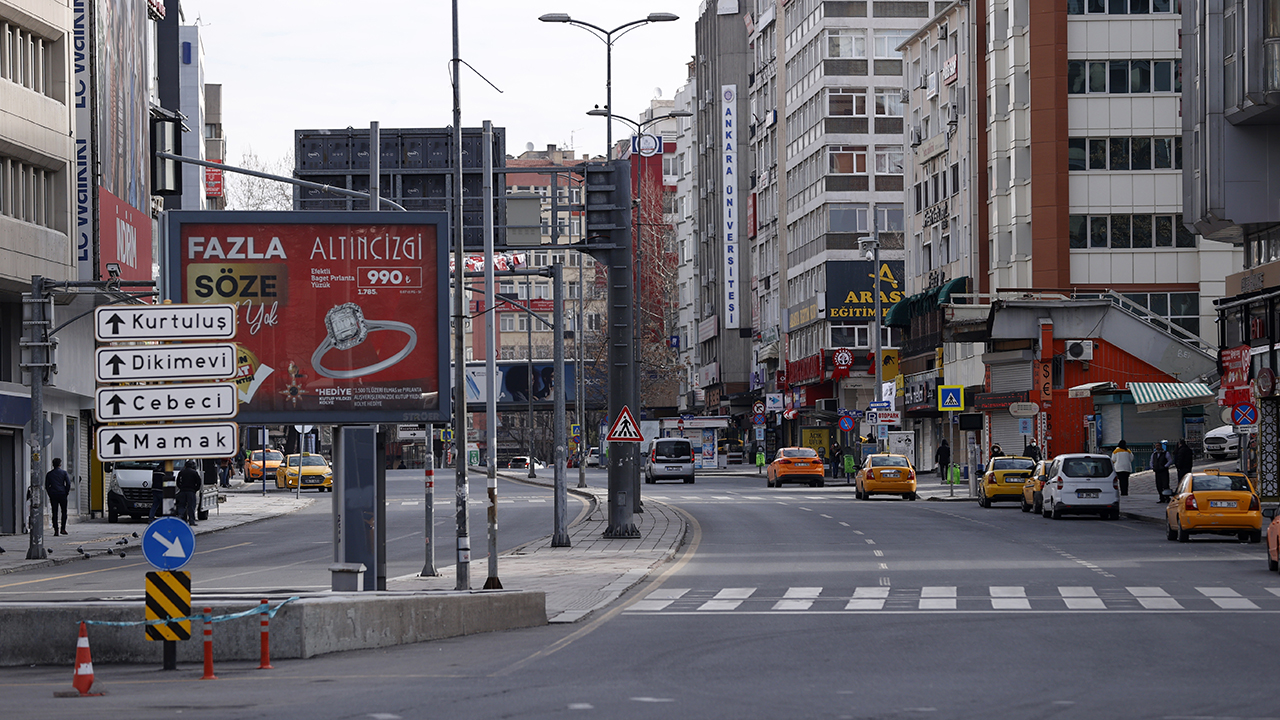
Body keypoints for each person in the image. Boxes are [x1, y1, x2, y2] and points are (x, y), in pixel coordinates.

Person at [44, 458, 71, 536]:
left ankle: (56, 530)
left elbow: (47, 486)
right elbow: (68, 483)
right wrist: (66, 492)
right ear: (60, 464)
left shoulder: (49, 474)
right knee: (64, 512)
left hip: (53, 494)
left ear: (53, 465)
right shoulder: (64, 473)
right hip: (62, 493)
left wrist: (50, 493)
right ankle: (63, 528)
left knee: (54, 512)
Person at [175, 460, 203, 526]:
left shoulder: (181, 472)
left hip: (183, 491)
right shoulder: (194, 473)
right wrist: (195, 489)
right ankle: (191, 520)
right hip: (191, 492)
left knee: (182, 505)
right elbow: (199, 482)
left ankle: (181, 518)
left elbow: (178, 482)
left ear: (185, 466)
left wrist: (181, 487)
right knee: (191, 506)